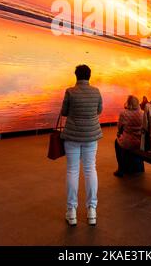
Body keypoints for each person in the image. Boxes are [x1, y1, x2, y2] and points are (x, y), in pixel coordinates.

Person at [60, 64, 102, 226]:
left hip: (72, 136)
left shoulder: (70, 91)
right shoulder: (96, 91)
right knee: (90, 169)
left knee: (72, 170)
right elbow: (99, 110)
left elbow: (64, 112)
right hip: (91, 135)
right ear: (89, 76)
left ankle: (72, 212)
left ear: (76, 76)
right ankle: (92, 210)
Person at [114, 95, 144, 177]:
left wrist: (119, 133)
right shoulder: (142, 113)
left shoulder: (123, 113)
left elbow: (119, 127)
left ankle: (121, 169)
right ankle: (140, 167)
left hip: (128, 142)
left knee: (117, 142)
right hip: (141, 142)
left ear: (128, 103)